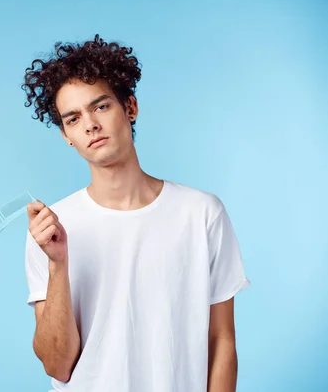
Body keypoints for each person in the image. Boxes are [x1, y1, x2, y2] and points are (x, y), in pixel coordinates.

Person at [21, 34, 250, 392]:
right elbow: (57, 364)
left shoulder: (201, 213)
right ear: (67, 135)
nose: (89, 125)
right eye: (73, 118)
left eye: (100, 106)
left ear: (130, 108)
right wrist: (57, 264)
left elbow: (221, 341)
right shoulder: (51, 230)